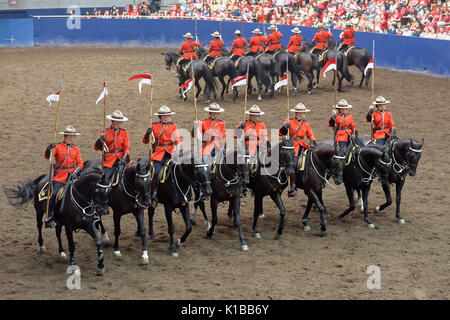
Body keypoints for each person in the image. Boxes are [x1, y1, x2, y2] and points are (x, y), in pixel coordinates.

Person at [44, 126, 84, 228]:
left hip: (73, 175)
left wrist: (76, 170)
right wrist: (49, 149)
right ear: (66, 136)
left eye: (73, 136)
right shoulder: (57, 146)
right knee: (53, 194)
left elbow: (80, 163)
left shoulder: (75, 148)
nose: (72, 138)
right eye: (71, 136)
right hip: (60, 176)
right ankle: (50, 216)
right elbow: (48, 157)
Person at [143, 106, 182, 207]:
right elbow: (145, 141)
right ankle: (154, 194)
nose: (169, 117)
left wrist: (178, 148)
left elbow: (177, 139)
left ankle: (183, 194)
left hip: (171, 152)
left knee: (182, 170)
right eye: (167, 116)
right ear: (161, 117)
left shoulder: (173, 126)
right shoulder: (154, 126)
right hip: (159, 153)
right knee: (155, 172)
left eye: (169, 115)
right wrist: (148, 133)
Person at [279, 103, 317, 197]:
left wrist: (312, 142)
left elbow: (310, 135)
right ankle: (293, 186)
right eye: (301, 112)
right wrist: (285, 127)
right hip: (292, 146)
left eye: (304, 112)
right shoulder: (289, 121)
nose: (303, 114)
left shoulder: (306, 123)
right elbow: (280, 133)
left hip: (302, 144)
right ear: (297, 113)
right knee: (294, 164)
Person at [94, 110, 130, 180]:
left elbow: (127, 147)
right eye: (118, 121)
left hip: (122, 158)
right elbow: (96, 147)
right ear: (113, 121)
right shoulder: (104, 132)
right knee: (105, 179)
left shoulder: (124, 132)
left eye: (120, 121)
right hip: (110, 160)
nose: (120, 123)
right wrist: (100, 140)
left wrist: (124, 157)